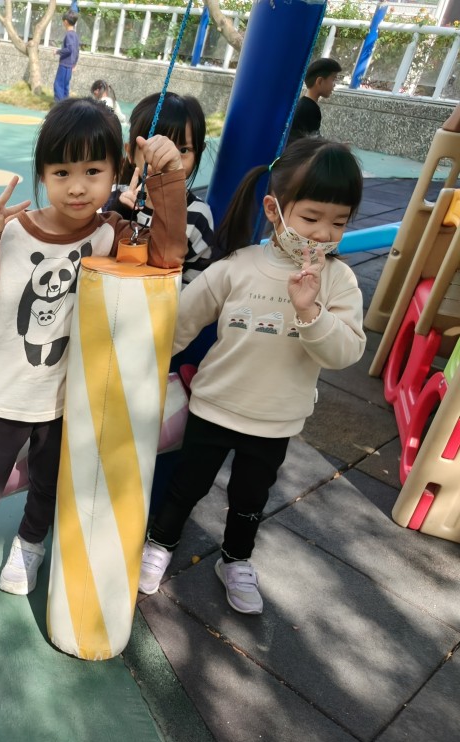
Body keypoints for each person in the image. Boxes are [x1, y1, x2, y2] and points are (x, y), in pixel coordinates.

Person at [0, 98, 188, 598]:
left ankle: (30, 544)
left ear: (115, 173)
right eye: (62, 171)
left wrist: (168, 179)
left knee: (49, 482)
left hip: (70, 398)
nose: (77, 186)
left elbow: (165, 259)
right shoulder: (12, 231)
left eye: (93, 171)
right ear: (43, 175)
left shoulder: (113, 235)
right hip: (6, 390)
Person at [137, 137, 366, 615]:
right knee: (187, 485)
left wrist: (311, 313)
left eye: (339, 222)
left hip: (275, 419)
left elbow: (344, 352)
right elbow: (181, 321)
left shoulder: (338, 281)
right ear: (273, 209)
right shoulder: (238, 266)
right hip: (215, 405)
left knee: (249, 498)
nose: (323, 234)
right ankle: (160, 544)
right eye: (311, 218)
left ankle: (236, 560)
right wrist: (139, 366)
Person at [110, 92, 214, 284]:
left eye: (183, 150)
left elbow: (192, 287)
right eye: (153, 147)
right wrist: (119, 211)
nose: (168, 159)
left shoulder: (198, 216)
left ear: (199, 153)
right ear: (130, 152)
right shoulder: (111, 196)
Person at [288, 58, 341, 142]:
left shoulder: (303, 104)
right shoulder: (311, 109)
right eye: (333, 79)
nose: (334, 85)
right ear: (319, 81)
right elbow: (314, 142)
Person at [53, 11, 80, 102]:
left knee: (58, 85)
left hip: (65, 64)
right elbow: (76, 51)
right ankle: (66, 106)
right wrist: (74, 64)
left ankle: (59, 107)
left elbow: (69, 49)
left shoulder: (69, 35)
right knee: (65, 87)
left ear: (65, 22)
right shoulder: (75, 35)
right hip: (70, 65)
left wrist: (57, 51)